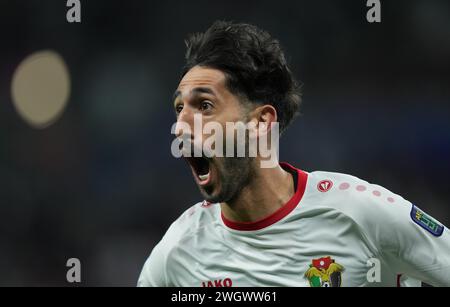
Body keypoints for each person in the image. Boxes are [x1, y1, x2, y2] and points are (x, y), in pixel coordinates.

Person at [138, 21, 450, 287]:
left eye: (204, 106)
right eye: (180, 109)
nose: (180, 127)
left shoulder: (360, 213)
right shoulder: (177, 255)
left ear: (261, 122)